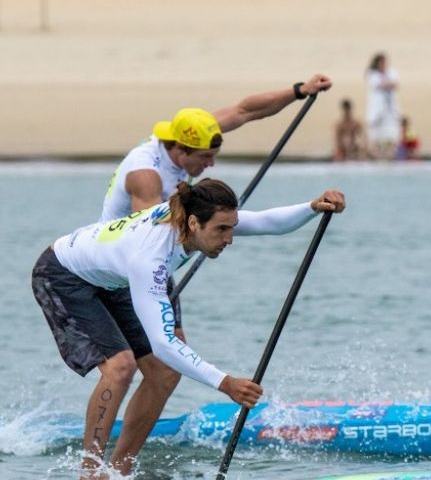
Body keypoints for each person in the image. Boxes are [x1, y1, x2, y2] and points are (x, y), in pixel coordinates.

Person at [32, 178, 347, 480]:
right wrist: (223, 382)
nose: (230, 239)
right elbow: (163, 341)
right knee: (120, 367)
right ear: (194, 224)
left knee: (164, 374)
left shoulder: (195, 219)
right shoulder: (151, 257)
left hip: (111, 277)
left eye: (232, 228)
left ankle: (119, 479)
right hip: (63, 275)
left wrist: (313, 207)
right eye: (222, 230)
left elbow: (267, 222)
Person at [100, 76, 331, 353]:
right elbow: (145, 237)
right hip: (122, 268)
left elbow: (245, 111)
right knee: (156, 361)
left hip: (159, 258)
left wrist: (298, 91)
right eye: (205, 157)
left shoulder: (191, 133)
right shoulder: (146, 175)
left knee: (169, 365)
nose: (211, 164)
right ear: (181, 148)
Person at [365, 53, 401, 160]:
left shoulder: (392, 72)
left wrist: (387, 84)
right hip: (377, 109)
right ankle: (376, 157)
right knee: (375, 135)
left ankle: (389, 156)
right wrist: (388, 84)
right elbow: (380, 85)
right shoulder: (372, 74)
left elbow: (395, 85)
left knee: (391, 134)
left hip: (390, 109)